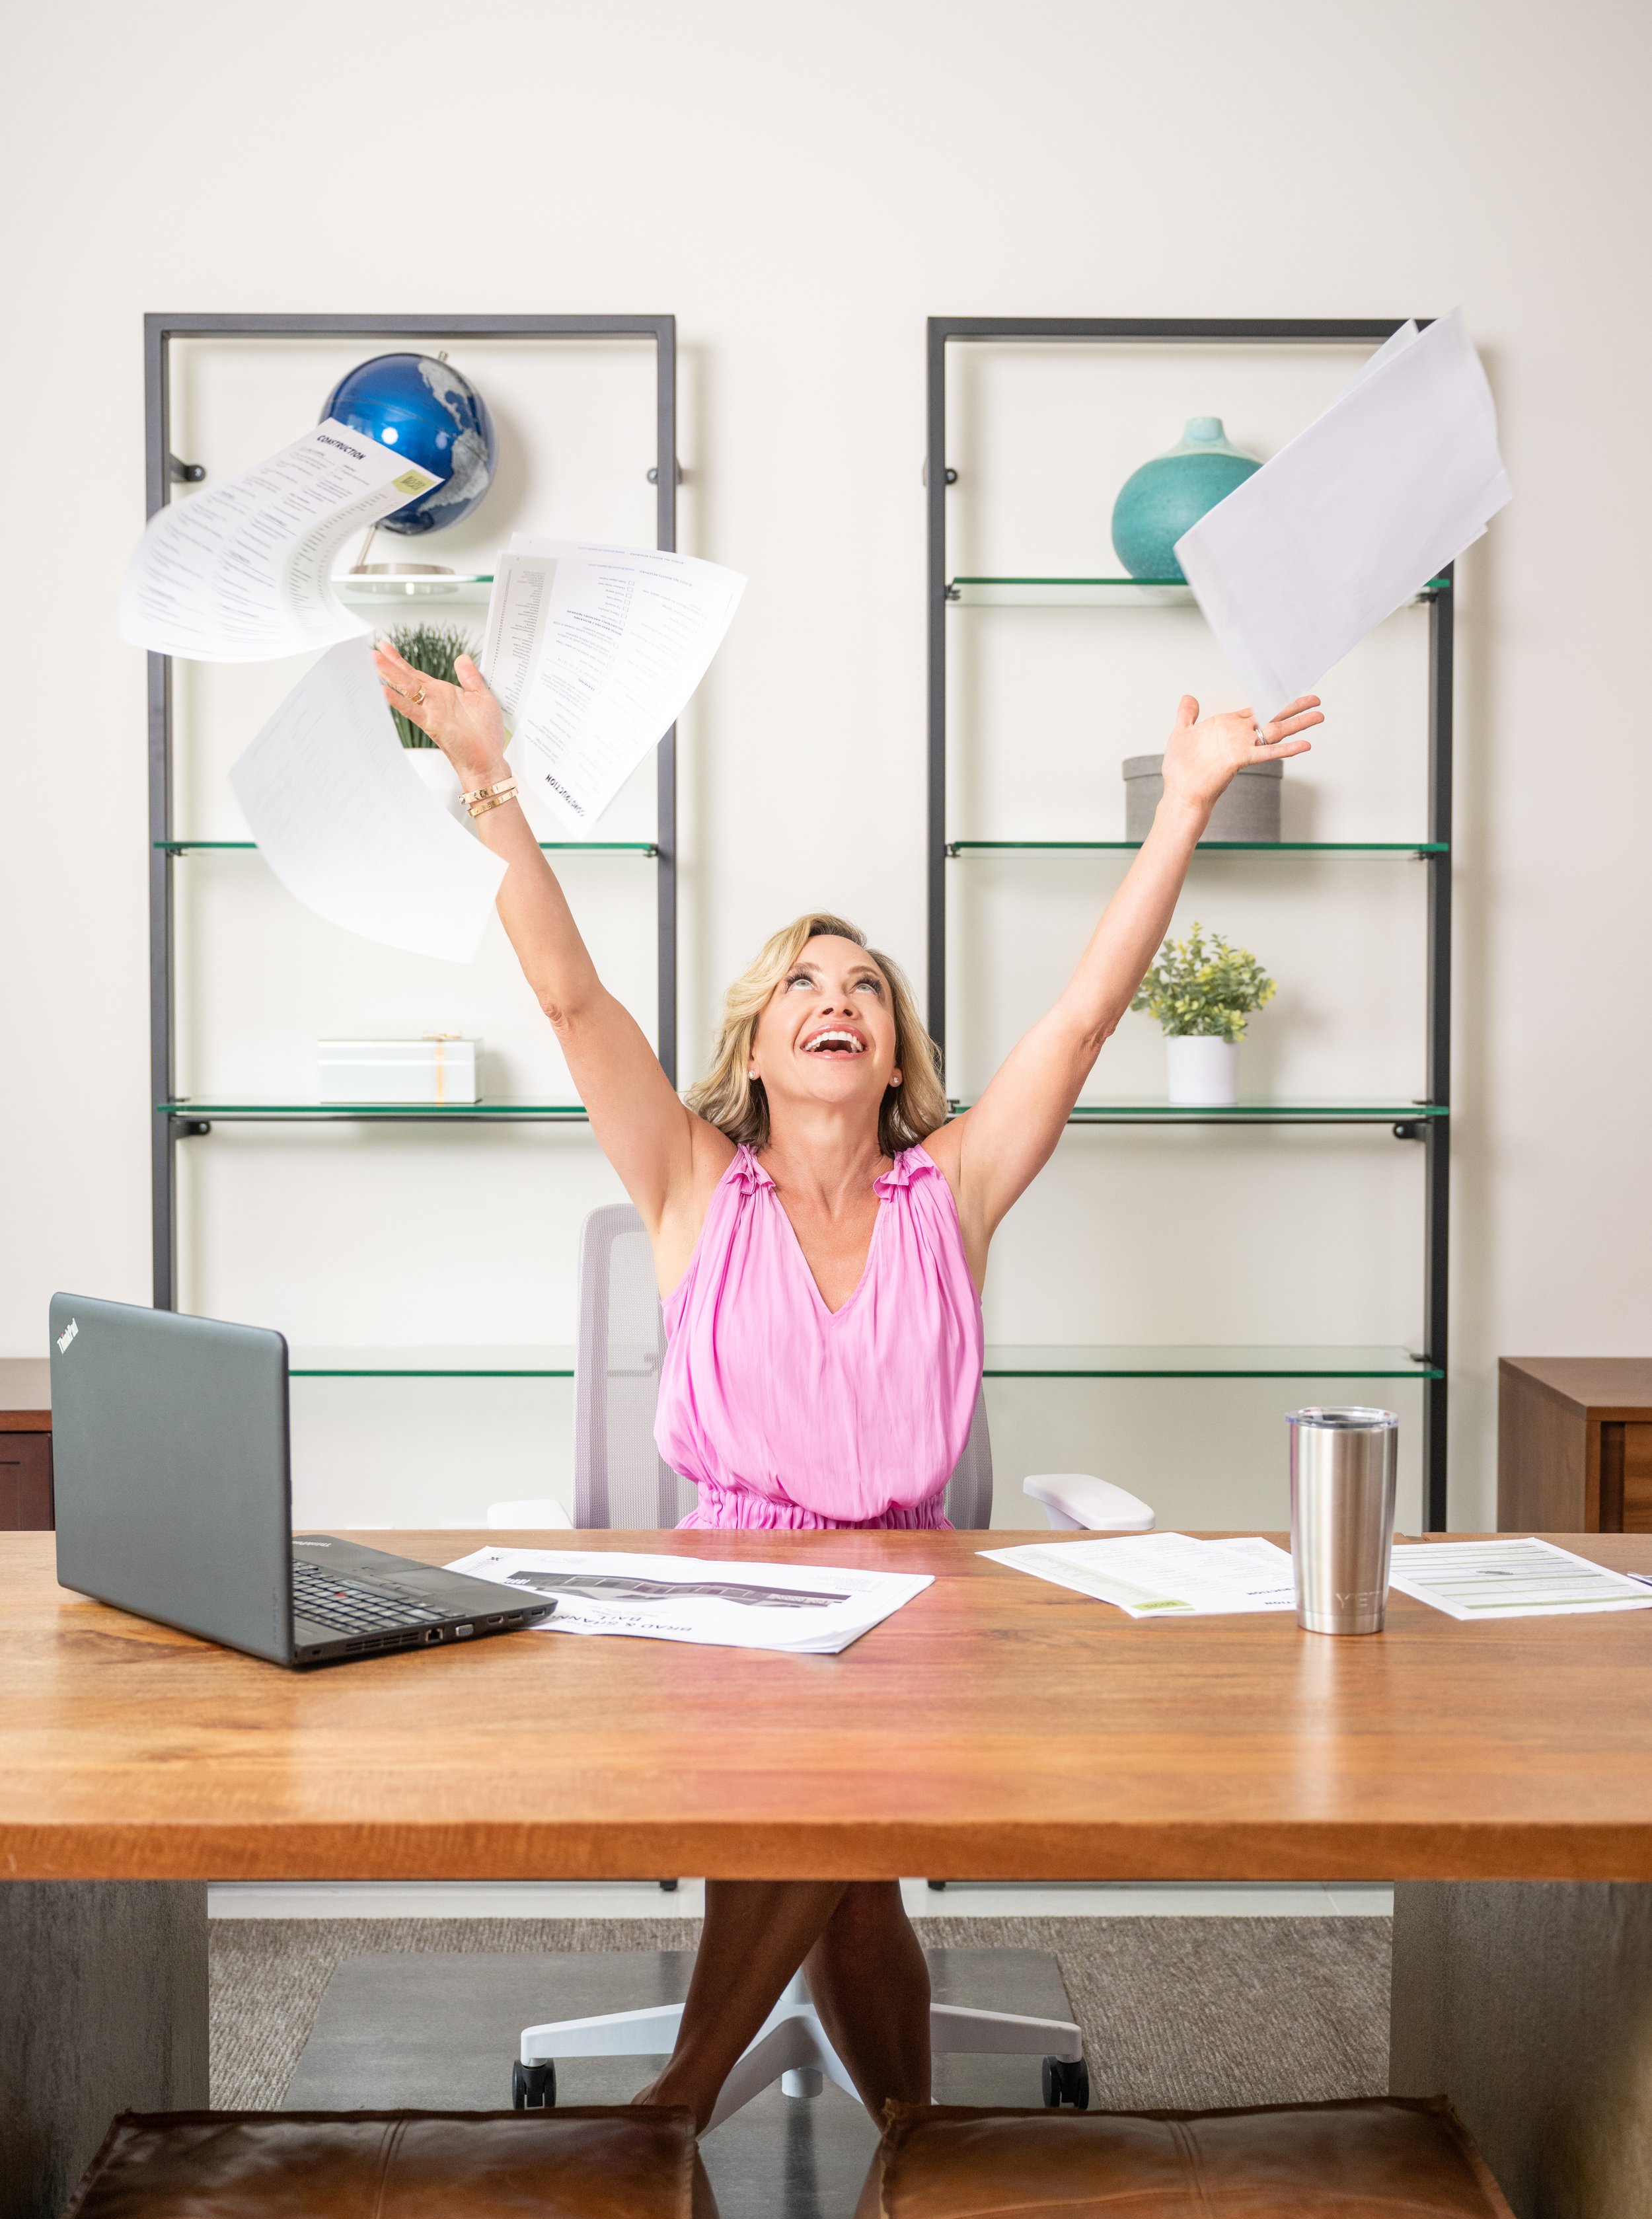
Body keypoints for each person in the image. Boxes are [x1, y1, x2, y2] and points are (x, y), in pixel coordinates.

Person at [373, 633, 1322, 2128]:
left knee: (833, 1810)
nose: (839, 997)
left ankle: (681, 2110)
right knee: (834, 1825)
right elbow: (570, 1001)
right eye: (804, 984)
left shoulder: (953, 1190)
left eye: (865, 987)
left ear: (891, 1057)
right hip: (720, 1598)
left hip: (912, 1600)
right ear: (755, 1048)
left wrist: (1184, 806)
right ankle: (874, 2136)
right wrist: (489, 780)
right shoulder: (690, 1181)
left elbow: (1082, 1018)